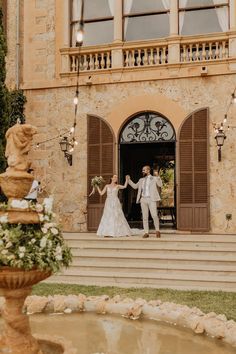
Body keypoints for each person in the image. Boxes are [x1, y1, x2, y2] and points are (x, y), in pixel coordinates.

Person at [126, 165, 163, 238]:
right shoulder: (141, 180)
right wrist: (128, 180)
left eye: (144, 170)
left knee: (154, 215)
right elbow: (135, 186)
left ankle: (157, 231)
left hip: (151, 199)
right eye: (142, 170)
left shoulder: (154, 178)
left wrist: (158, 176)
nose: (142, 171)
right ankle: (146, 232)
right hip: (143, 199)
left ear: (148, 170)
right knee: (145, 217)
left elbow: (160, 184)